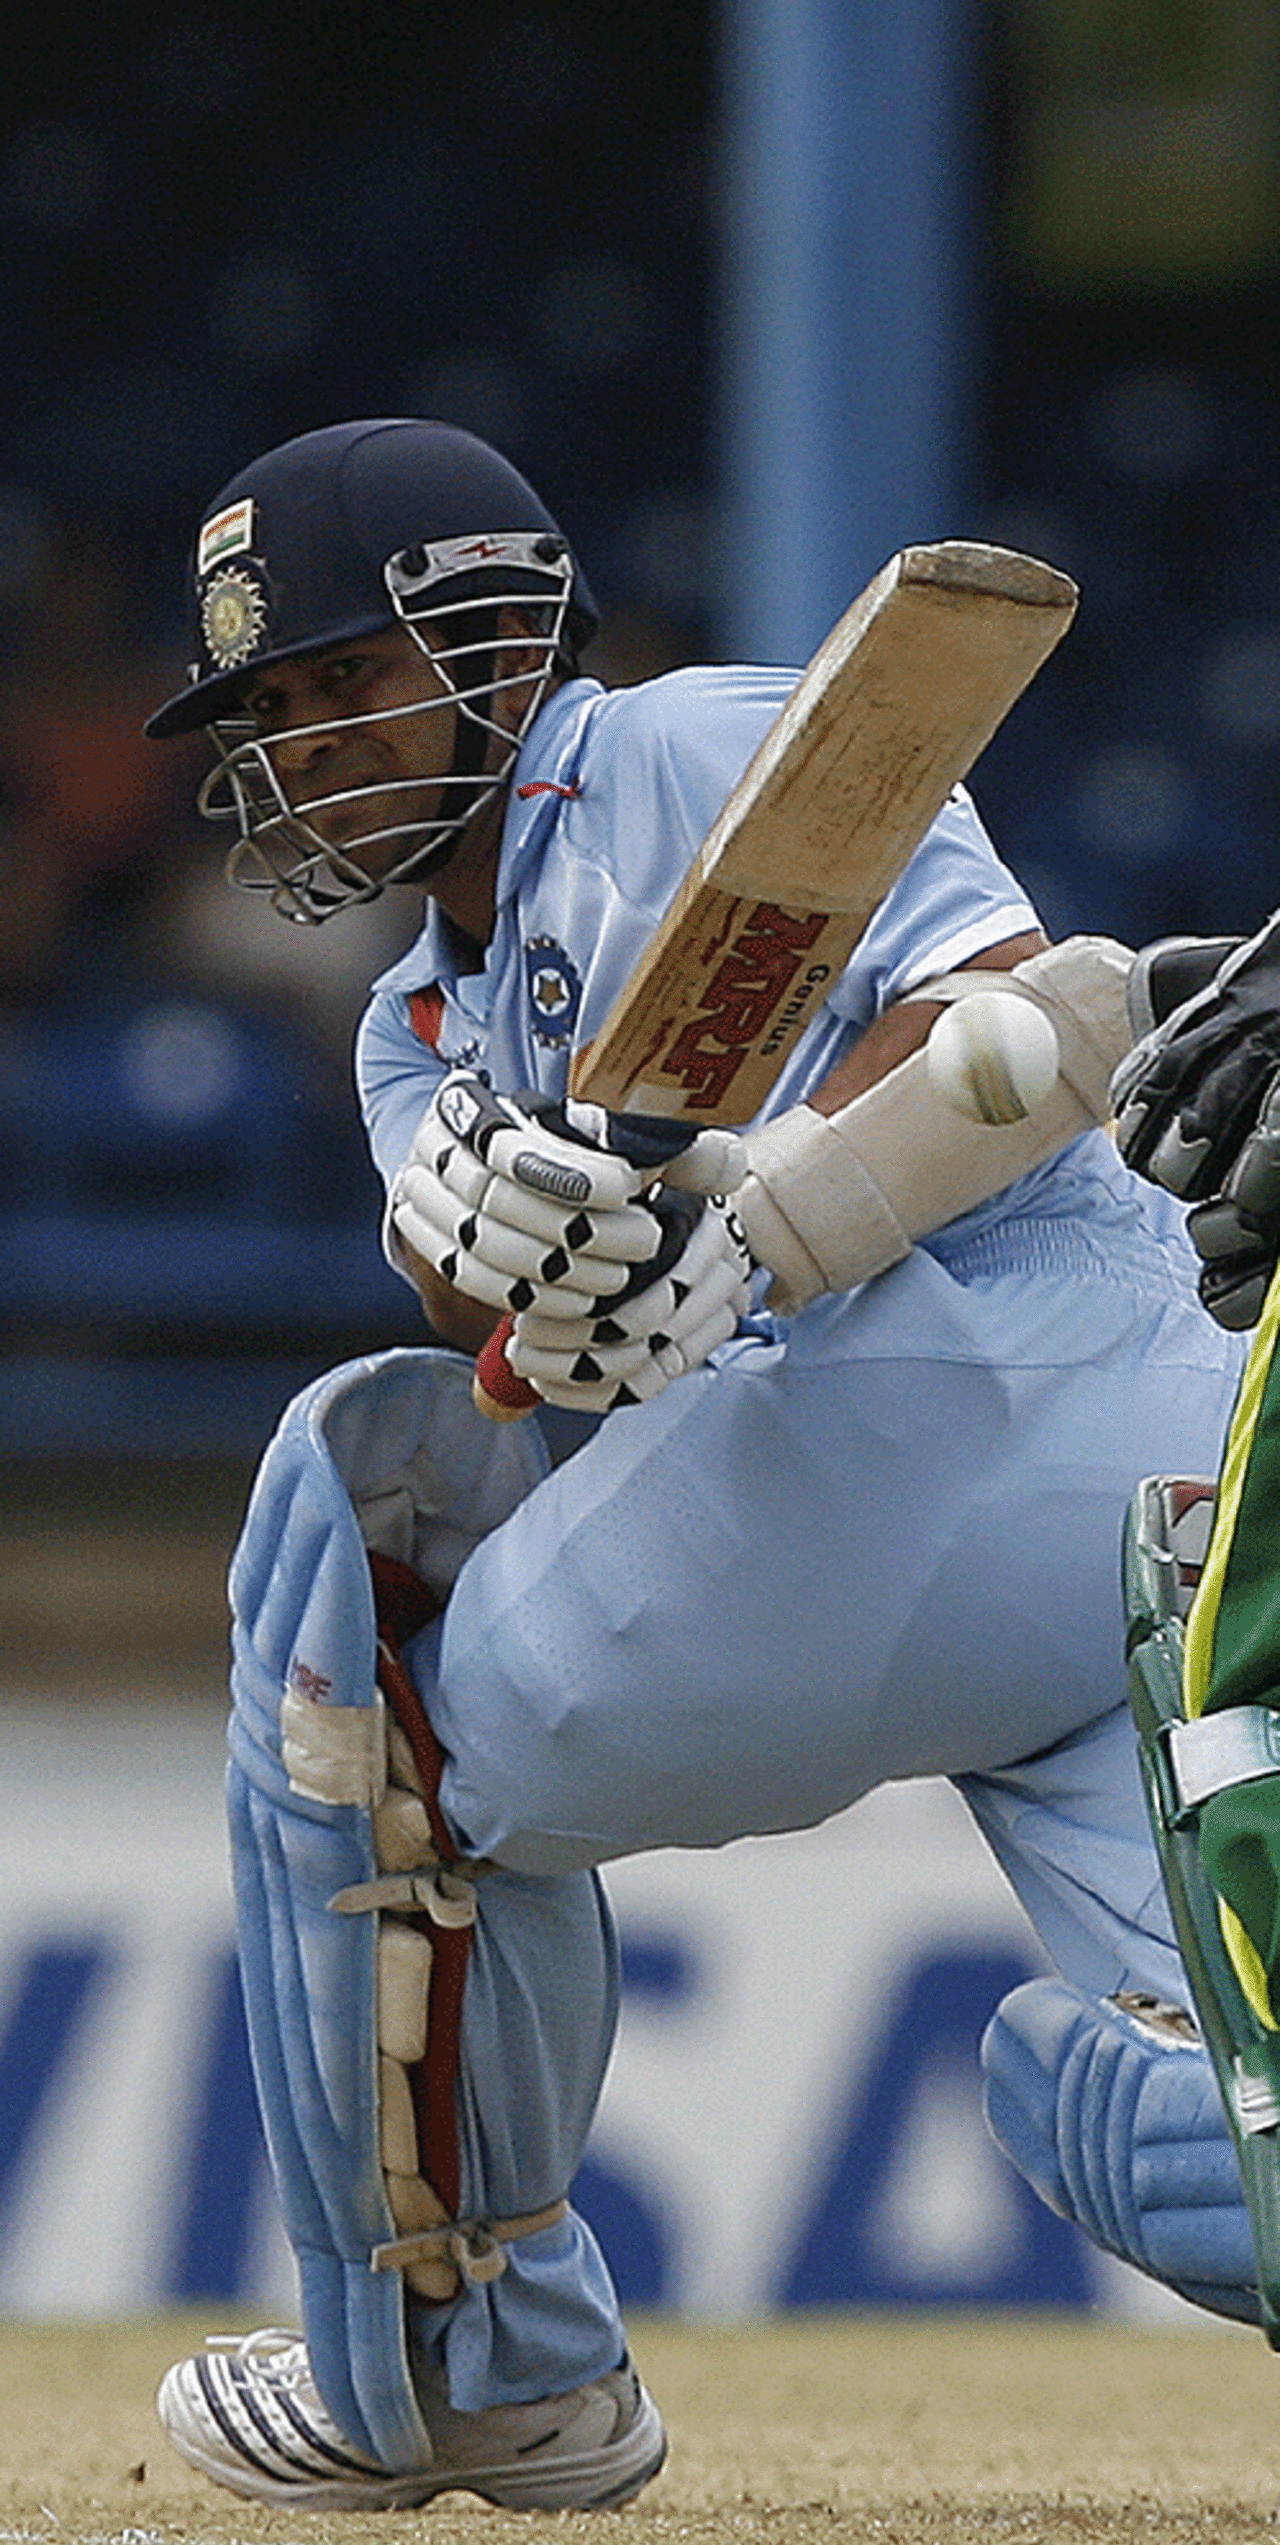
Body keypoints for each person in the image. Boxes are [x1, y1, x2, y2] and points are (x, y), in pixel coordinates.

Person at [141, 419, 1264, 2513]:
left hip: (981, 1360)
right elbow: (482, 1310)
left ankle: (471, 2370)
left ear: (488, 636)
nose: (302, 753)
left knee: (360, 1557)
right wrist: (551, 1277)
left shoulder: (681, 750)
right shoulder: (409, 1030)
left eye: (333, 689)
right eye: (267, 720)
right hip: (1179, 1475)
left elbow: (1024, 1036)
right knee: (1224, 2109)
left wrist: (748, 1225)